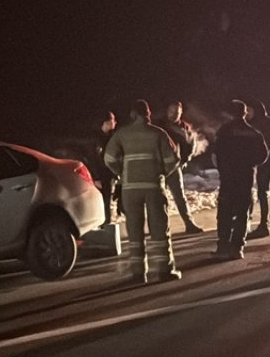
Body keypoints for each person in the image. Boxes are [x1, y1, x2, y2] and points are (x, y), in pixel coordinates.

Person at [104, 100, 182, 283]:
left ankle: (138, 273)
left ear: (132, 115)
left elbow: (108, 158)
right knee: (159, 229)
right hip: (154, 187)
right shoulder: (159, 134)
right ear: (149, 114)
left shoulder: (122, 134)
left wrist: (121, 173)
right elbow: (173, 160)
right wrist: (162, 172)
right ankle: (164, 270)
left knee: (134, 230)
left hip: (130, 189)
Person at [212, 99, 268, 260]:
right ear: (244, 113)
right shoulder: (254, 133)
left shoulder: (224, 131)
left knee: (225, 212)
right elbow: (263, 156)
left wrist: (224, 167)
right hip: (246, 177)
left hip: (228, 178)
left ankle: (223, 246)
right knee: (243, 212)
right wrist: (249, 163)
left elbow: (216, 154)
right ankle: (238, 247)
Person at [157, 102, 206, 234]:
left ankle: (189, 224)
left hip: (174, 166)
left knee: (179, 196)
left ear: (181, 112)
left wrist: (185, 159)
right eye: (172, 111)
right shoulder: (159, 125)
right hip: (158, 166)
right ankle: (159, 226)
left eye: (177, 112)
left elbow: (190, 145)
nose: (174, 114)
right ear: (167, 111)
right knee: (158, 197)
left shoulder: (185, 127)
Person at [244, 98, 270, 239]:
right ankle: (247, 223)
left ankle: (265, 225)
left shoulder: (267, 122)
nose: (247, 113)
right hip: (256, 163)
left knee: (263, 192)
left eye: (249, 110)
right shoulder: (250, 124)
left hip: (268, 163)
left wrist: (260, 157)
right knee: (253, 193)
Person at [86, 110, 119, 225]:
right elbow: (92, 159)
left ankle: (107, 223)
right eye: (112, 120)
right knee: (102, 202)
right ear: (105, 122)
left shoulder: (109, 137)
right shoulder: (96, 139)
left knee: (107, 201)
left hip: (107, 175)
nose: (114, 123)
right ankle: (105, 225)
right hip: (101, 176)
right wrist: (95, 177)